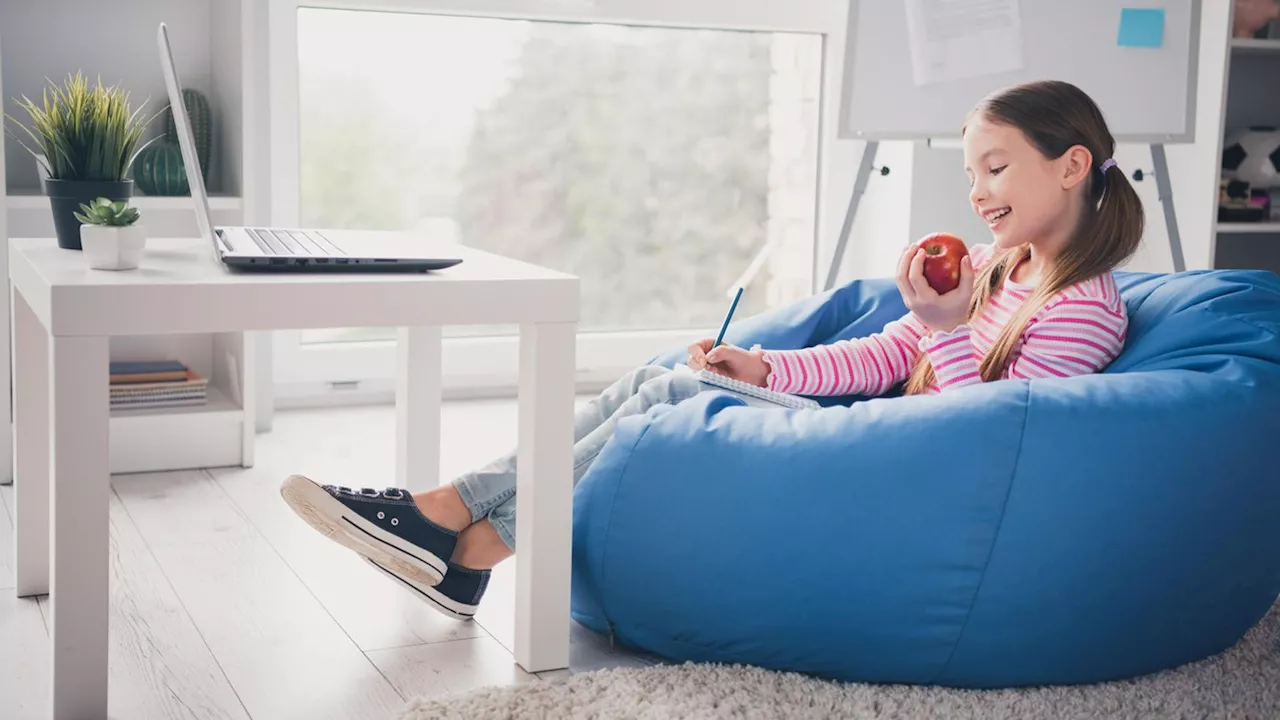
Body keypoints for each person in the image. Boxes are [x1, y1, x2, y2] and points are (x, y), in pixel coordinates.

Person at [280, 79, 1143, 620]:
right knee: (669, 372)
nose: (976, 191)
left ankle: (464, 542)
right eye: (971, 174)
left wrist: (950, 333)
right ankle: (455, 533)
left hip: (906, 466)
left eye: (995, 168)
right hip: (884, 434)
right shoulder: (1000, 268)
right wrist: (763, 369)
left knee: (665, 402)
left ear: (1070, 167)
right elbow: (881, 356)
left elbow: (998, 438)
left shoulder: (1082, 309)